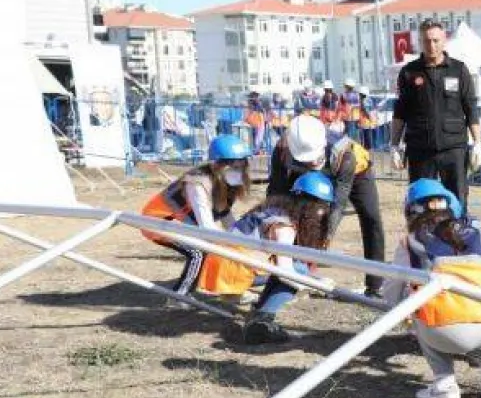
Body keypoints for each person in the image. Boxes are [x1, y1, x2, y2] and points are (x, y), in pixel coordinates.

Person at [382, 179, 481, 398]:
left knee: (419, 308)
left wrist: (405, 316)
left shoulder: (411, 242)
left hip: (447, 330)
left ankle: (444, 385)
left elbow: (391, 291)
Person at [268, 114, 388, 298]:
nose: (311, 162)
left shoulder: (344, 154)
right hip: (309, 177)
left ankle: (375, 286)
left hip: (354, 174)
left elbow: (339, 203)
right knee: (294, 215)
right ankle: (295, 275)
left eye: (313, 158)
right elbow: (276, 193)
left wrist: (327, 235)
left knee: (371, 218)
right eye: (306, 159)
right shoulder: (283, 150)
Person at [229, 171, 336, 345]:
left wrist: (314, 279)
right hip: (231, 271)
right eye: (321, 207)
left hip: (230, 263)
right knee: (298, 270)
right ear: (308, 206)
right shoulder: (284, 226)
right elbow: (286, 272)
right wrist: (314, 284)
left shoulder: (277, 210)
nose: (322, 213)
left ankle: (259, 312)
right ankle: (262, 323)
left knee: (293, 267)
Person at [141, 135, 255, 295]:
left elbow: (225, 215)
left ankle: (230, 290)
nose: (239, 169)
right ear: (217, 164)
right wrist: (229, 243)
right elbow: (206, 228)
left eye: (242, 164)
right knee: (198, 252)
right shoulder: (197, 184)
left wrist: (240, 239)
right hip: (158, 222)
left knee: (232, 247)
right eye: (233, 165)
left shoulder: (224, 183)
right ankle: (180, 296)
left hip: (182, 224)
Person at [389, 20, 481, 211]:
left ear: (444, 40)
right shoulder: (409, 73)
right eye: (427, 41)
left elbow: (471, 108)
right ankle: (423, 239)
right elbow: (400, 112)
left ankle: (457, 238)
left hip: (453, 148)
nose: (431, 45)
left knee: (458, 199)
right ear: (420, 42)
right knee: (421, 201)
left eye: (436, 40)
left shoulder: (459, 70)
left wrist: (478, 143)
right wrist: (394, 145)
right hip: (420, 149)